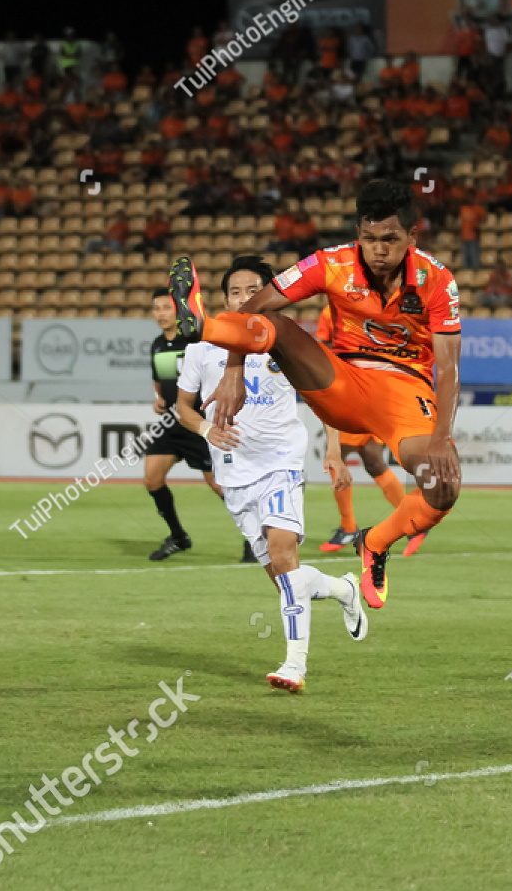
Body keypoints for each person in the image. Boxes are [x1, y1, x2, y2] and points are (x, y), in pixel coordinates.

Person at [168, 179, 462, 610]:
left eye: (390, 240)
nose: (378, 250)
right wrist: (233, 369)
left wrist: (440, 437)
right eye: (369, 238)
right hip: (341, 381)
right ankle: (202, 324)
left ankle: (375, 542)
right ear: (357, 233)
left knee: (444, 486)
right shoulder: (331, 263)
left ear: (412, 237)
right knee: (280, 325)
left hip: (405, 392)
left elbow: (450, 368)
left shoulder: (438, 281)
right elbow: (255, 307)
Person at [175, 257, 369, 692]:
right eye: (236, 293)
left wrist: (334, 450)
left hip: (281, 462)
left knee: (284, 559)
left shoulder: (282, 340)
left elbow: (324, 397)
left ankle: (294, 666)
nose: (244, 298)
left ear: (268, 295)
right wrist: (206, 429)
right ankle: (343, 590)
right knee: (286, 580)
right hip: (233, 475)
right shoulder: (201, 349)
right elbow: (183, 407)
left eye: (252, 290)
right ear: (225, 301)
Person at [311, 306, 418, 555]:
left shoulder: (379, 308)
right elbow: (325, 347)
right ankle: (414, 519)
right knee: (371, 457)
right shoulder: (330, 312)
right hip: (350, 386)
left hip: (371, 389)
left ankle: (349, 526)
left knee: (339, 453)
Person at [143, 287, 236, 562]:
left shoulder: (195, 342)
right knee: (152, 479)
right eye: (156, 308)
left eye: (166, 307)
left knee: (219, 487)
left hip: (198, 425)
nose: (161, 314)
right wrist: (158, 398)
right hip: (172, 425)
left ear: (178, 310)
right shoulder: (158, 344)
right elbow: (159, 381)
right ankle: (178, 536)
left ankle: (252, 537)